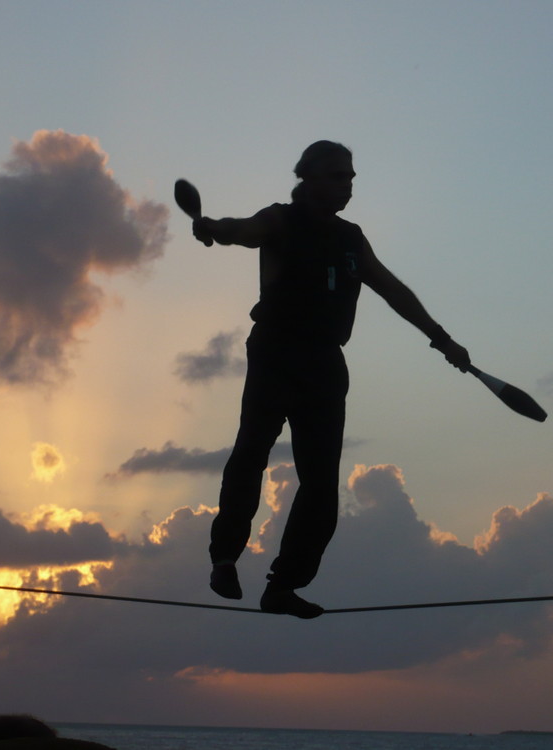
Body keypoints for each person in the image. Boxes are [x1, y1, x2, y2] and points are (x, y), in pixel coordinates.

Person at [192, 141, 470, 618]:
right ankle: (225, 557)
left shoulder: (351, 238)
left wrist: (440, 338)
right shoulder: (281, 218)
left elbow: (393, 289)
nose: (348, 185)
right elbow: (246, 231)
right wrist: (216, 228)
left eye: (351, 177)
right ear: (308, 178)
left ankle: (283, 586)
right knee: (251, 452)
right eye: (338, 176)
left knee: (320, 484)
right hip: (276, 350)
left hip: (324, 362)